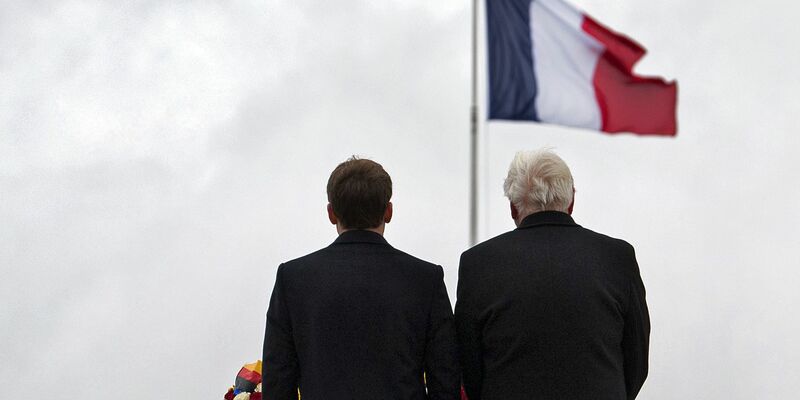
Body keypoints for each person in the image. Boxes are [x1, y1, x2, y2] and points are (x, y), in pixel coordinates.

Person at [455, 149, 650, 400]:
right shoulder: (618, 257)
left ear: (513, 208)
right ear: (571, 201)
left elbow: (469, 366)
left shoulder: (478, 263)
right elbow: (636, 359)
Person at [262, 157, 460, 400]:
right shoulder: (425, 280)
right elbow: (446, 381)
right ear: (388, 211)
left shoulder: (292, 279)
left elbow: (278, 383)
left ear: (331, 213)